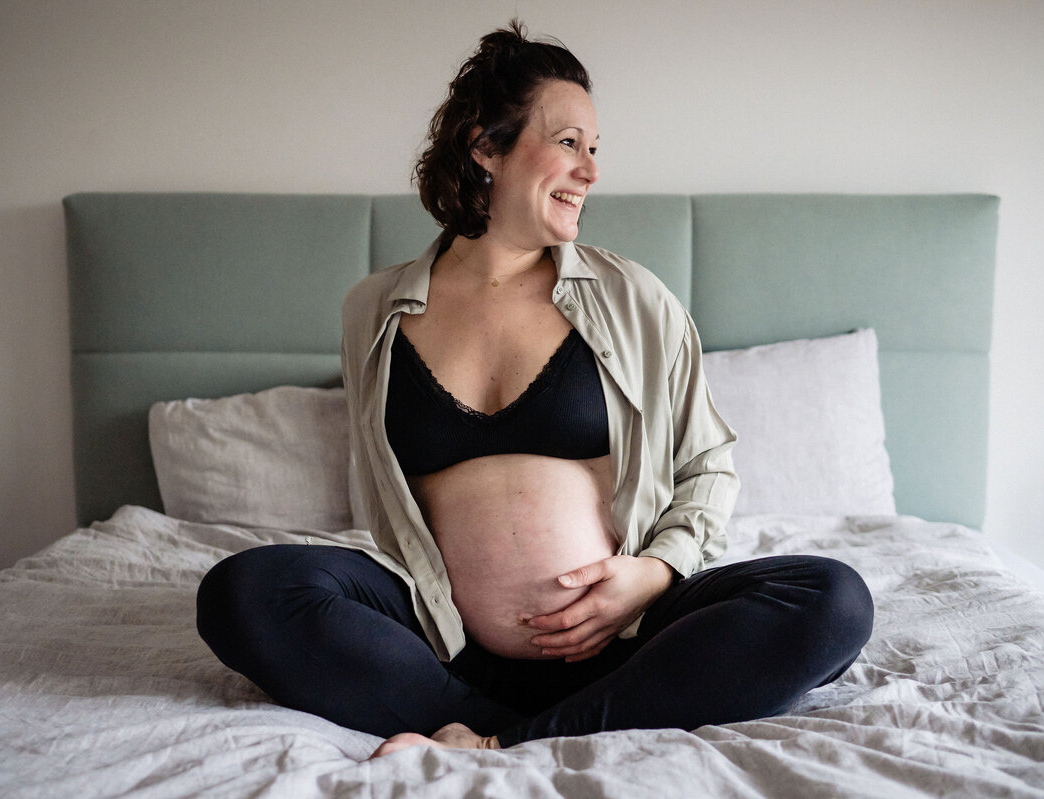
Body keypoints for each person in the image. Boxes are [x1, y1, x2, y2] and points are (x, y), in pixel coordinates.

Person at [196, 20, 874, 756]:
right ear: (486, 146)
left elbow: (707, 466)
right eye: (568, 142)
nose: (590, 170)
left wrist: (651, 574)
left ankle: (498, 737)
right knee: (240, 591)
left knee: (833, 601)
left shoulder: (636, 301)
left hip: (629, 640)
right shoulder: (374, 312)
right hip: (440, 640)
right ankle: (502, 716)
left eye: (594, 149)